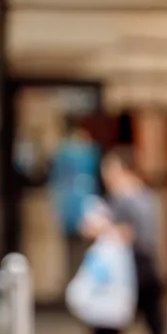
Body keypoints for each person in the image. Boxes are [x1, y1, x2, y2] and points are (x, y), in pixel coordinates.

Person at [87, 146, 166, 334]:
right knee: (151, 321)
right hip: (146, 262)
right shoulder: (146, 195)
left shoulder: (125, 197)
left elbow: (127, 233)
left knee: (109, 317)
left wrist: (100, 228)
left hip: (131, 266)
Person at [48, 116, 100, 283]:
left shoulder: (71, 152)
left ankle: (78, 280)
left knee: (77, 249)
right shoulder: (86, 152)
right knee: (78, 248)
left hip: (73, 205)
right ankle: (78, 281)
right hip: (77, 206)